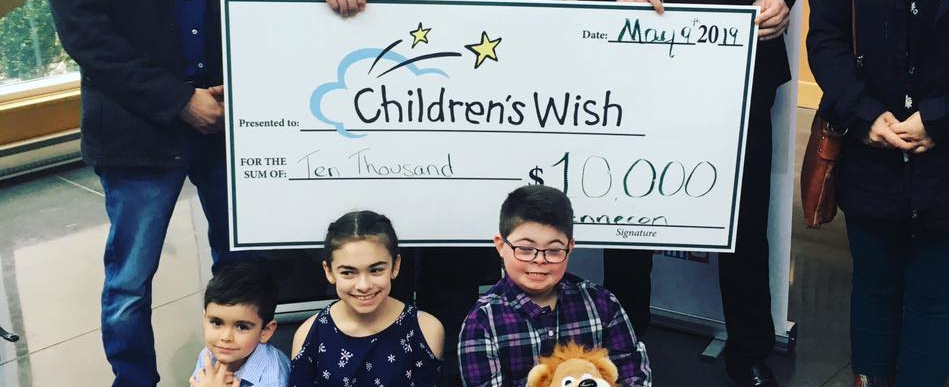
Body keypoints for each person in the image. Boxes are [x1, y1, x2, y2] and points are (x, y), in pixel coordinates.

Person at [47, 0, 240, 386]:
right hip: (136, 126)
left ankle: (236, 372)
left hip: (227, 116)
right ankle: (134, 380)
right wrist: (178, 100)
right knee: (130, 282)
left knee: (239, 265)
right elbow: (88, 38)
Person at [602, 0, 794, 386]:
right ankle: (623, 343)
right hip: (641, 49)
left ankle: (749, 353)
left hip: (743, 51)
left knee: (743, 213)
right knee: (627, 207)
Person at [807, 1, 949, 386]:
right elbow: (826, 38)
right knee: (873, 287)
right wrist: (862, 113)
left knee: (935, 298)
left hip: (942, 168)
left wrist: (939, 118)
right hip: (870, 158)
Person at [458, 185, 651, 387]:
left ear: (570, 248)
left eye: (554, 250)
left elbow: (633, 373)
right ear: (500, 246)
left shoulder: (602, 304)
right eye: (525, 248)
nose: (539, 260)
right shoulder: (481, 322)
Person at [289, 210, 445, 387]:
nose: (363, 285)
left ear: (395, 266)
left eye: (376, 270)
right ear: (329, 271)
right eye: (348, 272)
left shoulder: (426, 330)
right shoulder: (309, 335)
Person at [190, 262, 290, 387]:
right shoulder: (209, 354)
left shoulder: (272, 380)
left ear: (266, 331)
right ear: (205, 319)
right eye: (217, 322)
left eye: (242, 327)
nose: (225, 337)